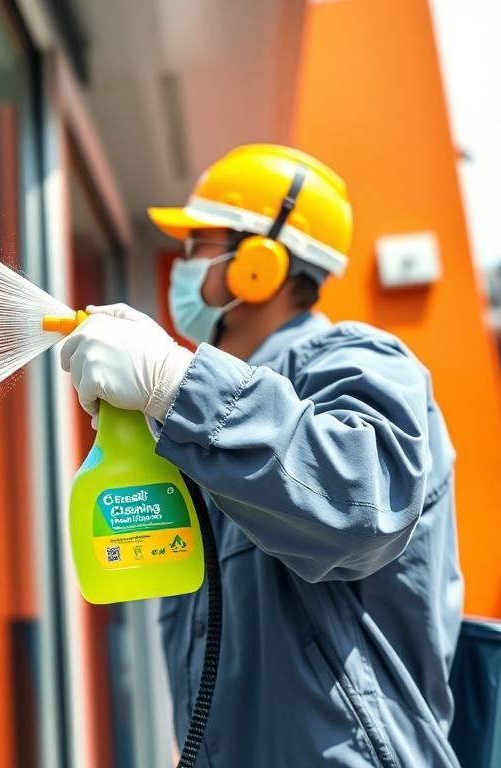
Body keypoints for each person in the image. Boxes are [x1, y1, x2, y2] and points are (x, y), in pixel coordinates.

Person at [61, 144, 463, 766]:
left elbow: (364, 503)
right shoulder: (210, 423)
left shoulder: (356, 358)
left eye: (197, 245)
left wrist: (174, 380)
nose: (181, 265)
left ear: (259, 265)